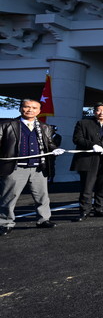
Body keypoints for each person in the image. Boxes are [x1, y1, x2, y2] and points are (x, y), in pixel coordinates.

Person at [0, 99, 65, 235]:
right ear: (20, 108)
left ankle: (43, 219)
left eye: (34, 108)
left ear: (39, 111)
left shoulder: (44, 127)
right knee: (9, 196)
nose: (30, 110)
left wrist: (55, 149)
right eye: (27, 107)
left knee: (42, 196)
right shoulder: (7, 125)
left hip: (38, 168)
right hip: (15, 167)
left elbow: (49, 143)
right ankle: (5, 223)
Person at [71, 102, 103, 220]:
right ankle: (84, 211)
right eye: (98, 110)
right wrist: (92, 145)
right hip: (89, 159)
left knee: (102, 187)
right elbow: (77, 139)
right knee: (87, 187)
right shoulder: (83, 123)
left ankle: (99, 208)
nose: (101, 113)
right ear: (94, 112)